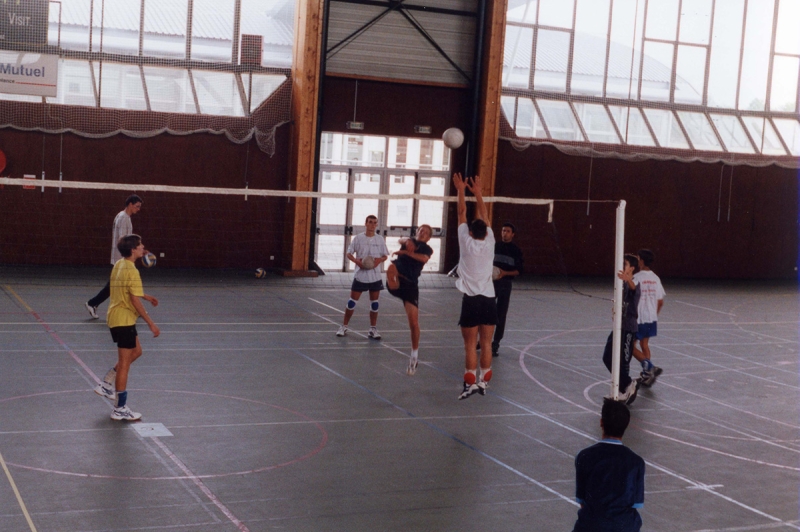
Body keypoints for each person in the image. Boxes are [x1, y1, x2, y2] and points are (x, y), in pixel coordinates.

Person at [94, 234, 160, 421]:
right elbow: (133, 299)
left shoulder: (119, 264)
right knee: (124, 363)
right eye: (140, 245)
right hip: (123, 319)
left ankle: (106, 383)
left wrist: (146, 296)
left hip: (119, 318)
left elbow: (128, 289)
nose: (143, 247)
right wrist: (150, 323)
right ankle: (120, 408)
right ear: (133, 250)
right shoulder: (132, 270)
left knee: (137, 352)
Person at [452, 173, 497, 400]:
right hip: (489, 299)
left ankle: (469, 382)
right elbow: (485, 215)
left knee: (471, 344)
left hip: (470, 300)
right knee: (486, 342)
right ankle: (482, 382)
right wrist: (477, 192)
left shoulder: (465, 240)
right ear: (485, 232)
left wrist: (460, 189)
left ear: (470, 232)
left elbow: (462, 212)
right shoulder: (490, 241)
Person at [573, 399, 645, 532]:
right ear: (626, 426)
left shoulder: (584, 456)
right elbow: (635, 504)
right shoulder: (637, 462)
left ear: (601, 422)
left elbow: (582, 501)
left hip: (591, 526)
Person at [386, 224, 434, 376]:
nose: (422, 232)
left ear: (428, 237)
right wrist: (407, 241)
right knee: (392, 268)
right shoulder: (408, 240)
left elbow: (423, 259)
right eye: (420, 230)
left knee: (413, 323)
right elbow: (401, 239)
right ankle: (393, 283)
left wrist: (405, 252)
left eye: (425, 232)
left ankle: (414, 355)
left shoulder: (427, 249)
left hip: (410, 286)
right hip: (398, 280)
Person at [85, 195, 143, 319]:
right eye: (137, 206)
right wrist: (134, 250)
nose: (138, 209)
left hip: (120, 258)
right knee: (117, 286)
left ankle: (93, 303)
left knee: (119, 285)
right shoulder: (124, 218)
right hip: (121, 258)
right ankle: (92, 303)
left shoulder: (123, 216)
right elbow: (123, 240)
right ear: (130, 204)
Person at [336, 215, 389, 339]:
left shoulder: (380, 239)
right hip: (360, 276)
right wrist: (357, 262)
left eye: (375, 223)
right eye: (370, 222)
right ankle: (343, 326)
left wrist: (379, 261)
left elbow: (385, 255)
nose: (372, 225)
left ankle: (373, 329)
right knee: (351, 302)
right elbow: (349, 253)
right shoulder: (358, 238)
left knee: (374, 304)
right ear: (365, 223)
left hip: (375, 276)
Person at [601, 254, 641, 405]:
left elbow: (634, 289)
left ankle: (627, 386)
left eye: (624, 264)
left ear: (631, 268)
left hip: (628, 329)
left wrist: (627, 279)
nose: (621, 266)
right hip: (618, 327)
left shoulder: (634, 282)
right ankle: (625, 386)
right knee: (607, 357)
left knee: (624, 361)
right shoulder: (621, 284)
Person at [490, 222, 524, 357]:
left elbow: (519, 271)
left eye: (508, 231)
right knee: (486, 312)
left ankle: (496, 343)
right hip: (491, 284)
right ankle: (483, 340)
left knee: (501, 314)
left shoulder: (516, 250)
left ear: (513, 234)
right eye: (503, 230)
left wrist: (504, 274)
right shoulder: (494, 246)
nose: (505, 233)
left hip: (505, 284)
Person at [632, 249, 665, 386]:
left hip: (639, 318)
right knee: (644, 344)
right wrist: (654, 315)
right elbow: (660, 300)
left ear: (642, 261)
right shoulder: (655, 278)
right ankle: (647, 375)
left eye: (638, 258)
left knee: (629, 347)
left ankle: (649, 366)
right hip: (651, 318)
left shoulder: (637, 278)